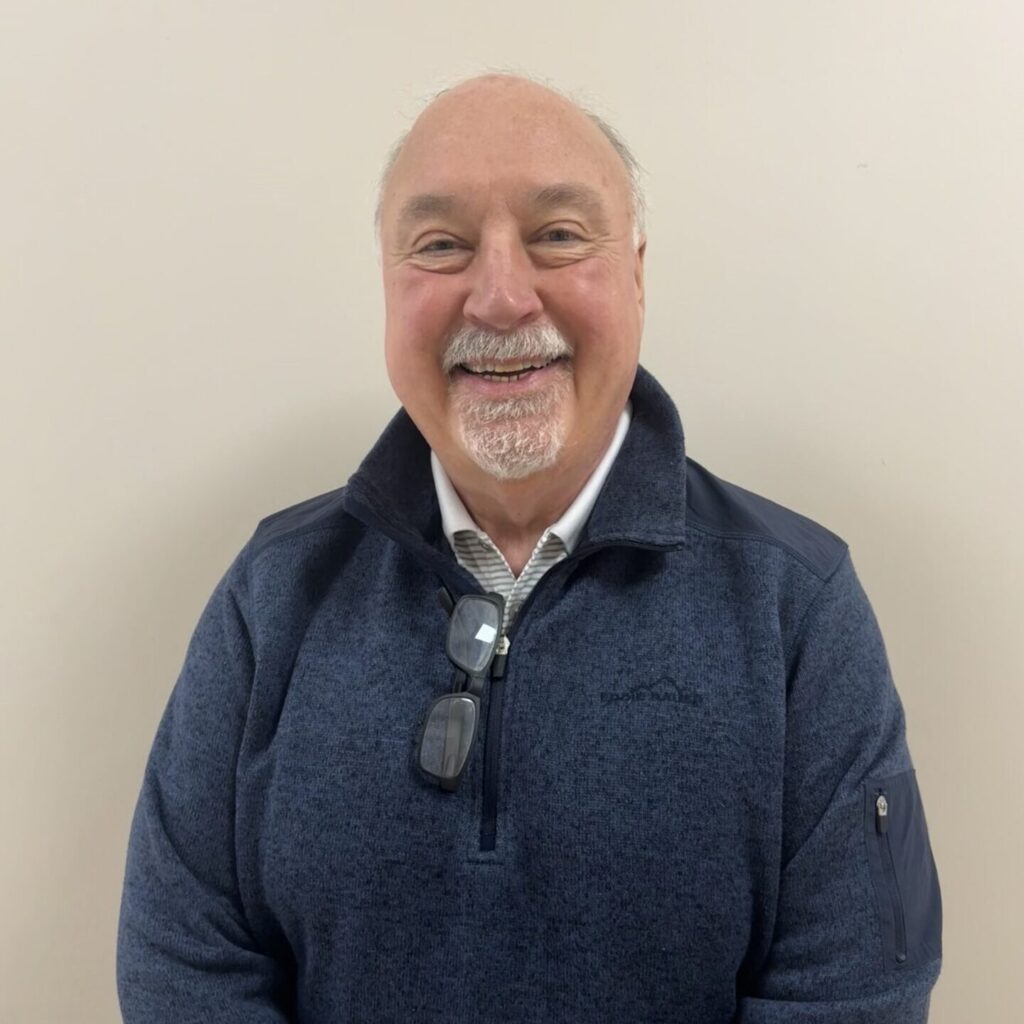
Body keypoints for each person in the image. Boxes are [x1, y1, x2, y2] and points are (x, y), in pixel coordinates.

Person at [116, 72, 942, 1023]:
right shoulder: (271, 594)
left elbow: (869, 983)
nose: (501, 297)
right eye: (441, 246)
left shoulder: (802, 604)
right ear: (388, 286)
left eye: (556, 235)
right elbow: (180, 967)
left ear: (636, 272)